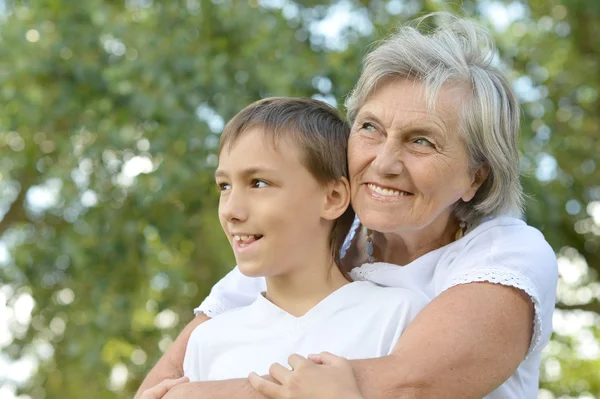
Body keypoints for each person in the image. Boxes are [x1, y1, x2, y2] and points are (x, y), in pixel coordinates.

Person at [137, 13, 558, 399]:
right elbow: (160, 383)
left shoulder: (506, 253)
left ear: (475, 176)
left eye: (421, 141)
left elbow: (406, 385)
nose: (385, 162)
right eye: (370, 128)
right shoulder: (304, 243)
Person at [182, 97, 427, 383]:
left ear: (332, 198)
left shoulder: (397, 316)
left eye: (259, 183)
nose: (231, 211)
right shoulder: (208, 343)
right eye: (224, 186)